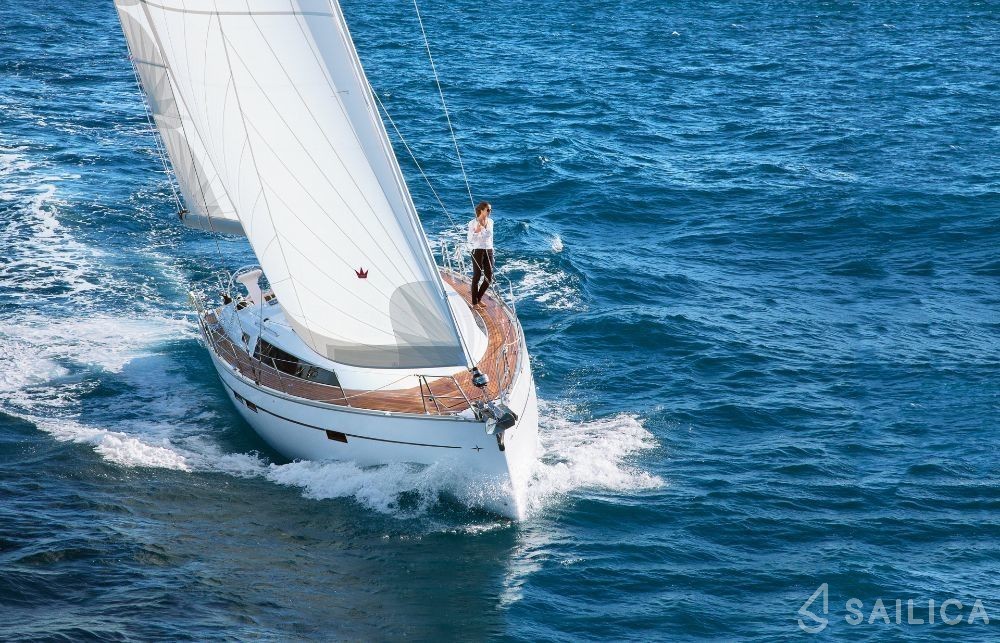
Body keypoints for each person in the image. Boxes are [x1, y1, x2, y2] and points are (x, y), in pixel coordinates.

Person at [467, 200, 494, 308]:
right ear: (482, 210)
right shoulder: (472, 223)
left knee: (489, 278)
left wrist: (481, 230)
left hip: (489, 250)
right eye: (488, 210)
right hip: (477, 250)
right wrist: (476, 232)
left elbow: (489, 235)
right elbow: (470, 239)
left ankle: (478, 298)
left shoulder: (491, 222)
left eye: (490, 210)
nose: (490, 211)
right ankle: (474, 302)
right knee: (477, 276)